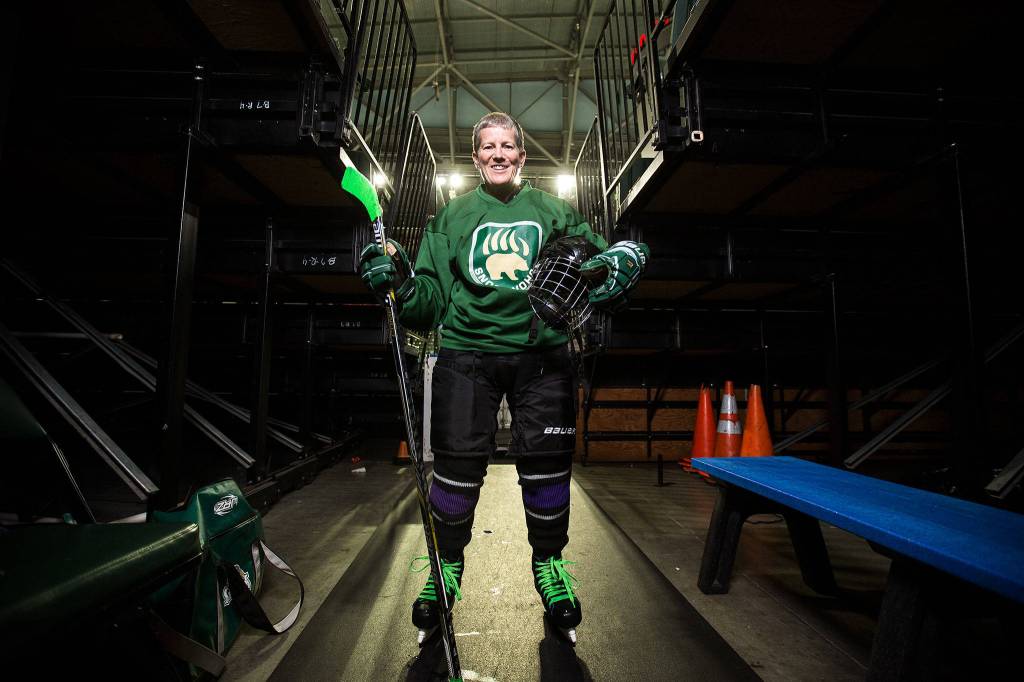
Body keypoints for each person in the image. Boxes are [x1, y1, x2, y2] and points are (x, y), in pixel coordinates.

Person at [359, 112, 649, 643]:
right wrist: (399, 283)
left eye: (507, 145)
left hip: (543, 357)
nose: (497, 153)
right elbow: (427, 303)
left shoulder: (554, 211)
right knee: (455, 471)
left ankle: (550, 567)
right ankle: (446, 570)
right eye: (487, 146)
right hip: (466, 355)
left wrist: (623, 259)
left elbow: (598, 261)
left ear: (521, 155)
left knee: (546, 470)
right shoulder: (449, 219)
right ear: (475, 159)